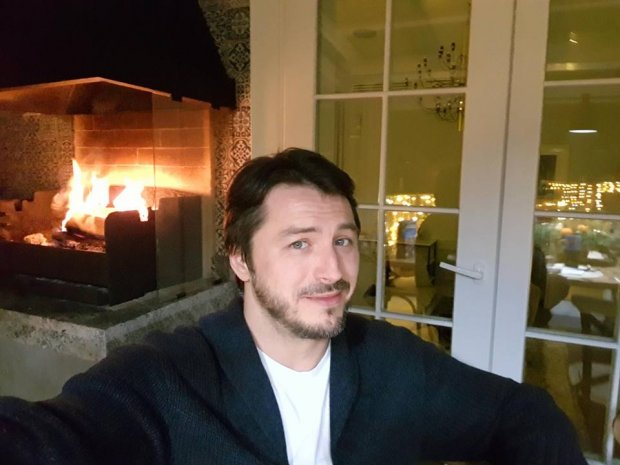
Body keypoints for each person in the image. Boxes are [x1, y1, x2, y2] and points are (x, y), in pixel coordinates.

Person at [0, 148, 587, 464]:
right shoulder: (167, 378)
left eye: (343, 241)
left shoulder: (393, 362)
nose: (332, 271)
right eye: (299, 243)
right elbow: (58, 438)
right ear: (240, 259)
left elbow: (523, 414)